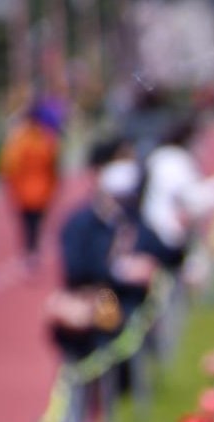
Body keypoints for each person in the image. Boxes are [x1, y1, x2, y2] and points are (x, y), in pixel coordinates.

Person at [49, 138, 159, 361]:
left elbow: (159, 251)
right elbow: (76, 269)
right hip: (93, 303)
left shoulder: (134, 219)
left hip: (128, 307)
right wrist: (119, 270)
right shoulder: (80, 223)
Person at [140, 117, 214, 271]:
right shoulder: (174, 161)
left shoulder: (162, 159)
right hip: (166, 236)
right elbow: (192, 198)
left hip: (156, 232)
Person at [0, 99, 62, 271]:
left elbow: (8, 166)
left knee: (27, 223)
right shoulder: (46, 138)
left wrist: (8, 186)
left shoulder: (19, 140)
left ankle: (29, 250)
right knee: (35, 222)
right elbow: (54, 165)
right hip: (40, 190)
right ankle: (33, 250)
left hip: (25, 191)